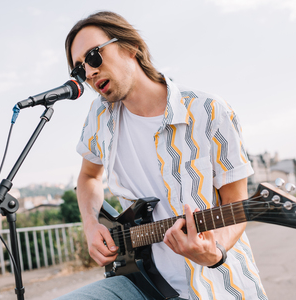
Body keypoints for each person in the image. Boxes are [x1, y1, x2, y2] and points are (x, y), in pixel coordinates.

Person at [57, 11, 267, 300]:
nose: (89, 73)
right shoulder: (99, 118)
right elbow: (88, 176)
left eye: (94, 57)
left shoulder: (209, 111)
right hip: (139, 281)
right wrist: (91, 225)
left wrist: (214, 252)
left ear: (131, 48)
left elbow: (236, 203)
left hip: (216, 284)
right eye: (79, 70)